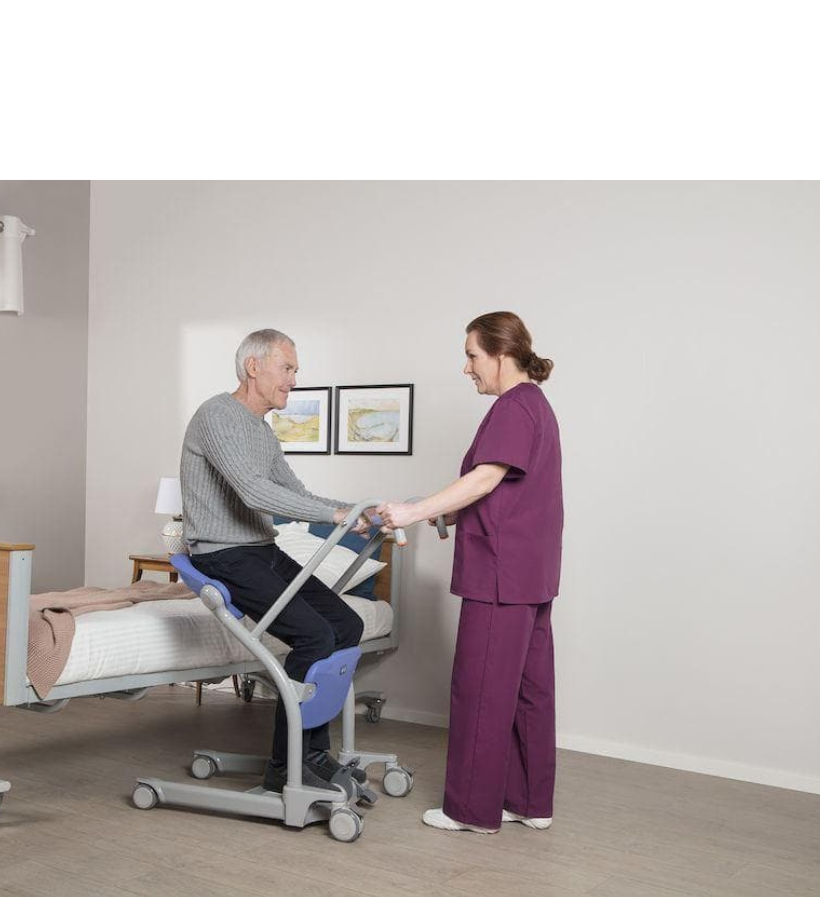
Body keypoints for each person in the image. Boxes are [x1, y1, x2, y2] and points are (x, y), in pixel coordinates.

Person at [377, 311, 563, 833]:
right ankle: (530, 802)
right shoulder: (537, 407)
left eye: (472, 355)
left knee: (481, 688)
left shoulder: (512, 407)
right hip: (531, 573)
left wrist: (412, 512)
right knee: (529, 690)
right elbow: (509, 489)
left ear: (501, 355)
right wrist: (450, 511)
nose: (467, 368)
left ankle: (472, 811)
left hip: (501, 577)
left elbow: (487, 475)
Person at [181, 328, 371, 794]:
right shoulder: (216, 416)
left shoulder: (260, 430)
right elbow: (254, 490)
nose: (293, 379)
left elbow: (295, 494)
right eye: (287, 369)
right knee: (314, 635)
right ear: (254, 367)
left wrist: (359, 514)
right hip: (223, 555)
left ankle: (313, 755)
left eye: (294, 371)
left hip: (261, 550)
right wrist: (336, 514)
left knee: (345, 626)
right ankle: (287, 767)